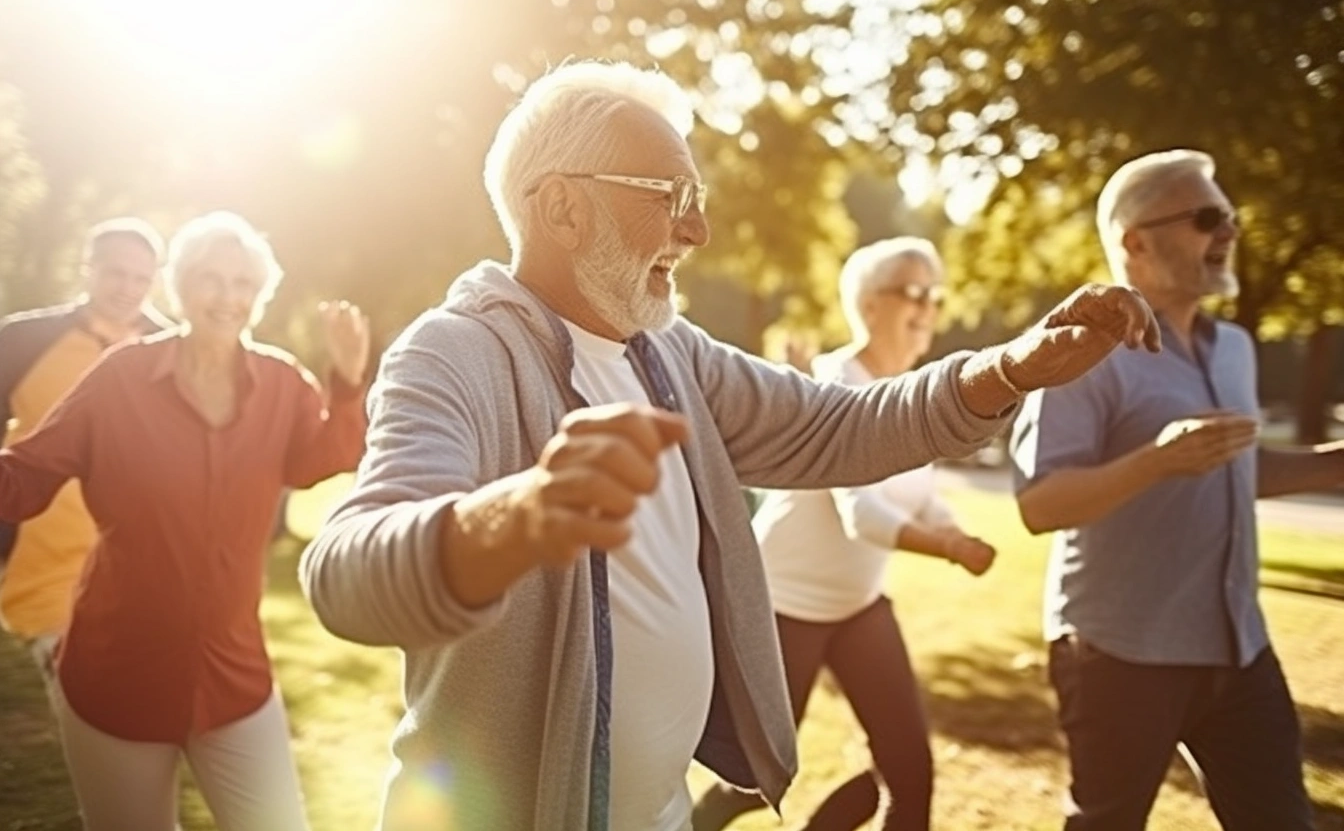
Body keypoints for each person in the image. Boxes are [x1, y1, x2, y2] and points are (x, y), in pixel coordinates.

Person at [298, 60, 1160, 831]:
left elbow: (839, 426)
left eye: (697, 201)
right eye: (669, 197)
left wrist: (1011, 368)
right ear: (562, 205)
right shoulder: (454, 352)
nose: (697, 231)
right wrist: (517, 517)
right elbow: (347, 575)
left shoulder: (669, 349)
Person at [0, 210, 370, 831]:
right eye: (210, 279)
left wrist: (349, 380)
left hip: (235, 675)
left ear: (259, 295)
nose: (227, 297)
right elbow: (27, 476)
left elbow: (321, 457)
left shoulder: (282, 382)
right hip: (114, 674)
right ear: (180, 286)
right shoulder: (118, 379)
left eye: (243, 283)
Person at [1010, 149, 1344, 830]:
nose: (1229, 232)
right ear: (1135, 242)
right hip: (1120, 653)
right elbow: (1039, 503)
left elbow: (1231, 468)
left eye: (1228, 217)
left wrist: (1337, 463)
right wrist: (1154, 462)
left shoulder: (1235, 348)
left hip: (1239, 648)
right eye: (1207, 217)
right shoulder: (1080, 350)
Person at [693, 237, 998, 831]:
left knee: (909, 773)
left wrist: (954, 527)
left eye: (935, 297)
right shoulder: (835, 380)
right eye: (912, 292)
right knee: (752, 779)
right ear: (869, 304)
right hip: (785, 604)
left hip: (857, 606)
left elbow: (920, 494)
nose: (927, 309)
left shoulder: (916, 389)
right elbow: (863, 511)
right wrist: (952, 549)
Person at [0, 218, 170, 702]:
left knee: (139, 717)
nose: (128, 289)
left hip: (143, 567)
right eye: (116, 273)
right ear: (87, 268)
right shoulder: (21, 340)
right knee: (84, 704)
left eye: (142, 278)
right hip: (44, 563)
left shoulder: (173, 349)